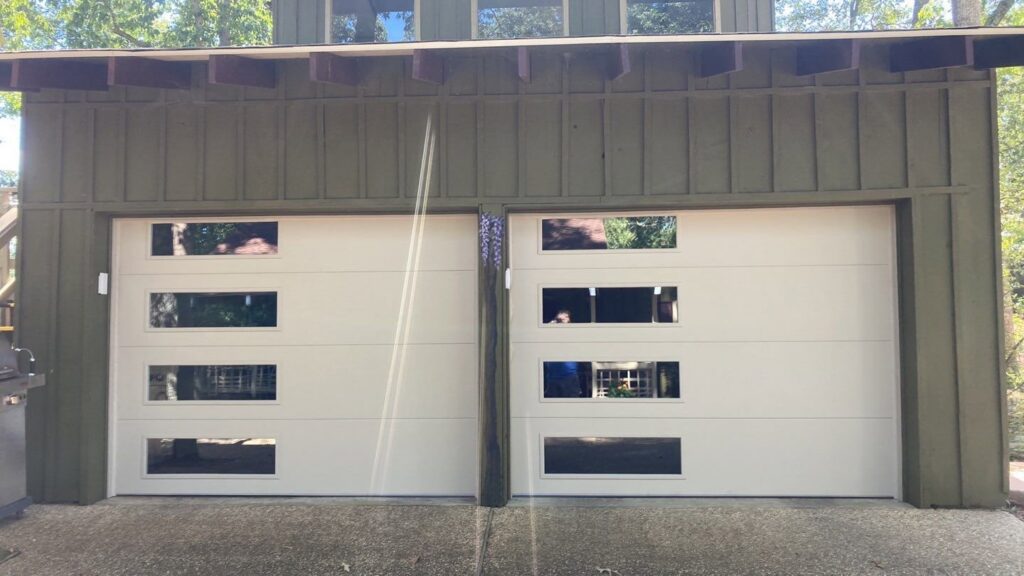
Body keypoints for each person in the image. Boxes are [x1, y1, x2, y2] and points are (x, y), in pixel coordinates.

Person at [545, 309, 581, 398]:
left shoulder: (572, 332)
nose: (561, 321)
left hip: (569, 375)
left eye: (565, 318)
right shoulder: (551, 333)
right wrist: (549, 327)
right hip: (552, 377)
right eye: (559, 319)